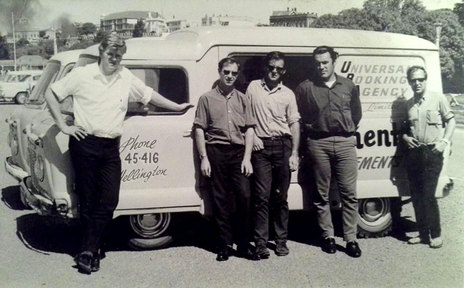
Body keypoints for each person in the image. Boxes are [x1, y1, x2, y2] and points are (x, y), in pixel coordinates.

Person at [45, 33, 193, 274]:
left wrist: (176, 106)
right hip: (84, 144)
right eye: (110, 54)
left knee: (110, 200)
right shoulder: (82, 75)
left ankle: (88, 248)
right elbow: (52, 93)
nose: (114, 58)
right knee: (88, 200)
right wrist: (63, 125)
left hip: (110, 146)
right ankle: (90, 250)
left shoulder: (125, 76)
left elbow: (149, 95)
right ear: (101, 53)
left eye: (118, 55)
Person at [295, 46, 362, 258]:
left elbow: (356, 115)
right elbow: (300, 116)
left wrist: (346, 132)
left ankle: (351, 238)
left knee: (349, 193)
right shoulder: (306, 88)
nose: (321, 66)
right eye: (317, 63)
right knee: (321, 194)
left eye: (325, 62)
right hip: (318, 143)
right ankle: (328, 236)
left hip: (345, 142)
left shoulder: (348, 86)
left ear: (334, 61)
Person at [194, 57, 256, 261]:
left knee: (245, 197)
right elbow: (200, 130)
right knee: (220, 200)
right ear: (219, 72)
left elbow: (249, 130)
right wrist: (204, 158)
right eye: (226, 72)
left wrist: (247, 158)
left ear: (238, 75)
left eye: (234, 73)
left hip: (238, 154)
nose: (229, 76)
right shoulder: (206, 99)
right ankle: (225, 245)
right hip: (216, 152)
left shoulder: (243, 98)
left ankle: (245, 245)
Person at [245, 51, 300, 259]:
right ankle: (260, 243)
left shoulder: (288, 94)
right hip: (261, 149)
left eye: (278, 68)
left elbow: (294, 123)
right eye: (271, 67)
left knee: (281, 197)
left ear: (283, 71)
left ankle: (281, 240)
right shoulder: (252, 87)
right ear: (265, 67)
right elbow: (246, 116)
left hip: (283, 147)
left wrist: (294, 153)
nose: (274, 71)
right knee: (261, 197)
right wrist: (253, 136)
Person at [401, 65, 455, 248]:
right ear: (409, 82)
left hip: (432, 152)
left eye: (420, 80)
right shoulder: (409, 104)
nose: (417, 83)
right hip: (414, 153)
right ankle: (423, 234)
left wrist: (444, 142)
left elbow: (451, 120)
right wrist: (406, 137)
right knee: (416, 195)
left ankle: (436, 234)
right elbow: (405, 128)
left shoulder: (437, 99)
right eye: (413, 80)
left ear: (425, 80)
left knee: (428, 195)